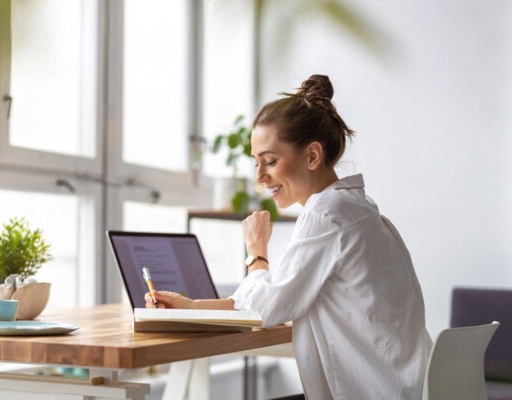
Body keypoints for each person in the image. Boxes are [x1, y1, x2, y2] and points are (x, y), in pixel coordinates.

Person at [145, 75, 432, 400]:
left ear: (312, 156)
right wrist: (193, 306)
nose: (259, 176)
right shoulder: (358, 208)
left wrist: (256, 251)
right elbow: (279, 296)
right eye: (256, 163)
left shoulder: (326, 214)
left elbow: (265, 309)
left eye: (270, 161)